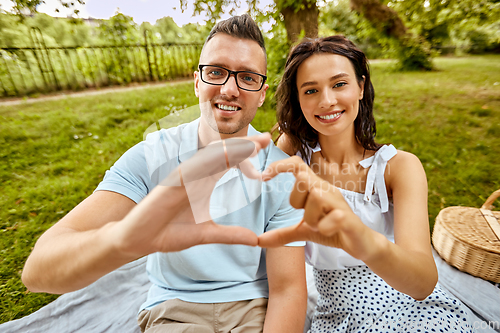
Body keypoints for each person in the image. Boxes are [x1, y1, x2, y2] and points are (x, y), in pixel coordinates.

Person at [21, 15, 307, 333]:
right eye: (216, 72)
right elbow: (37, 271)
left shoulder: (281, 173)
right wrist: (121, 241)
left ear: (262, 92)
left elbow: (288, 290)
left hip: (254, 306)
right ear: (197, 81)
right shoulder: (153, 155)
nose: (229, 89)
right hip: (175, 310)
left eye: (248, 78)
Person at [258, 35, 476, 332]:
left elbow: (423, 282)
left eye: (339, 84)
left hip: (411, 307)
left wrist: (361, 237)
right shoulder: (294, 158)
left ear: (361, 87)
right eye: (310, 90)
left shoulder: (398, 168)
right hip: (336, 315)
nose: (326, 101)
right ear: (298, 99)